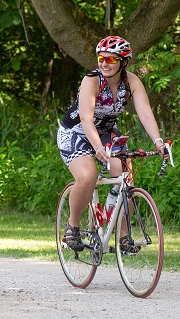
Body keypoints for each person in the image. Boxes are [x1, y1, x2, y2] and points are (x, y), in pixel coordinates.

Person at [56, 35, 167, 252]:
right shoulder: (92, 80)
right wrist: (97, 148)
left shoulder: (132, 82)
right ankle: (73, 226)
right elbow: (87, 119)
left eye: (111, 59)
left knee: (125, 175)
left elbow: (145, 113)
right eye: (101, 58)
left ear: (123, 62)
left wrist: (158, 141)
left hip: (107, 132)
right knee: (87, 176)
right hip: (76, 131)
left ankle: (124, 236)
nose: (104, 63)